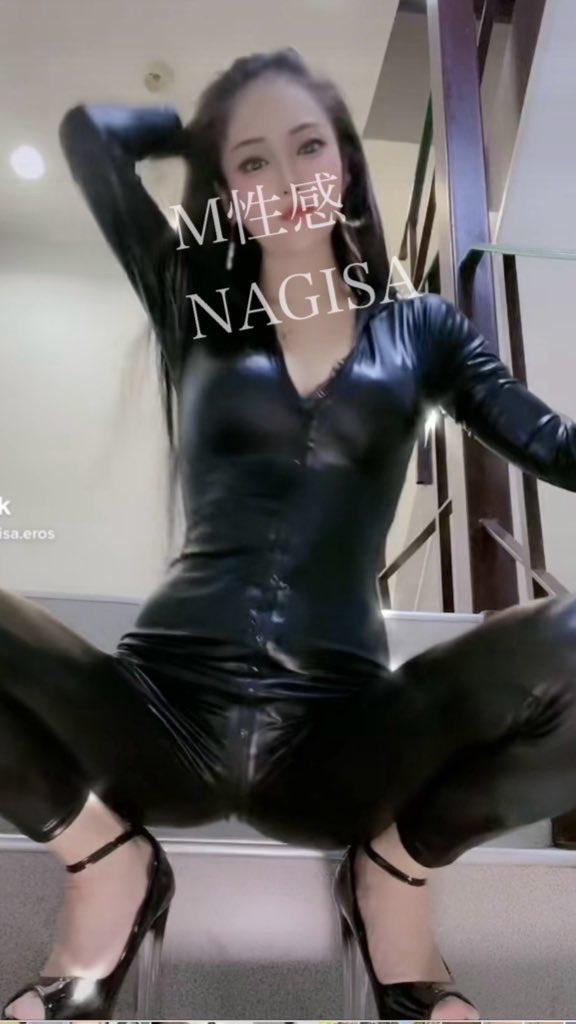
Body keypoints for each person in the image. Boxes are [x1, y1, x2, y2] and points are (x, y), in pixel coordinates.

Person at [3, 45, 576, 1022]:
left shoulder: (422, 328)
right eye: (252, 160)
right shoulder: (189, 294)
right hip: (155, 716)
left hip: (343, 739)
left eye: (307, 147)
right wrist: (201, 130)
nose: (284, 178)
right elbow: (91, 137)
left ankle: (391, 877)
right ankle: (106, 865)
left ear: (345, 164)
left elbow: (554, 444)